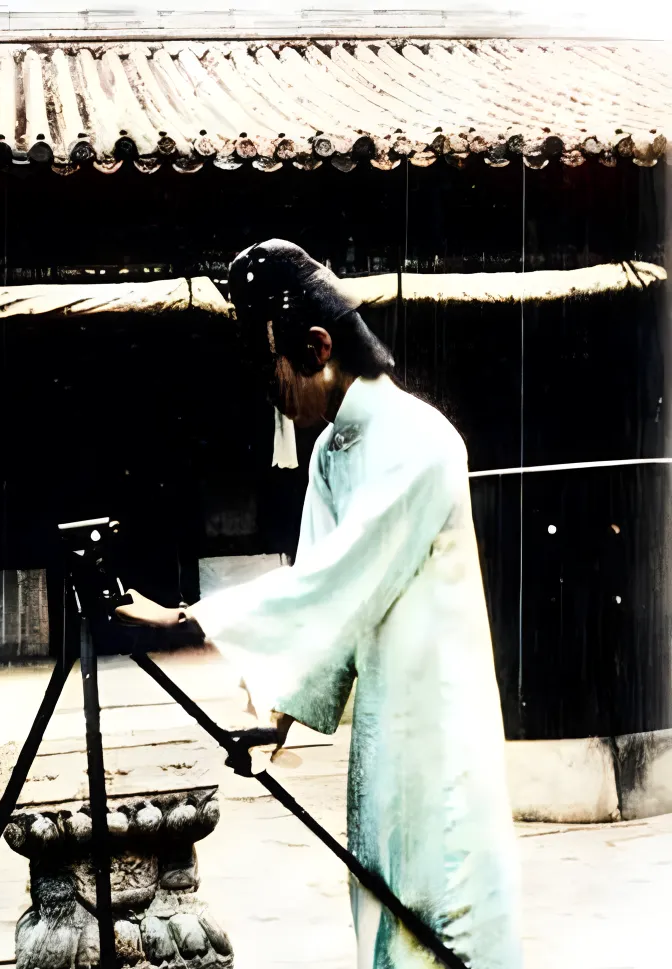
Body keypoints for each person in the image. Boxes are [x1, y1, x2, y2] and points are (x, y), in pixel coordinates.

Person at [116, 239, 523, 969]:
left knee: (448, 928)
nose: (272, 394)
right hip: (383, 738)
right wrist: (273, 719)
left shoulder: (424, 442)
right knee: (387, 932)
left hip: (442, 734)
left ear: (318, 347)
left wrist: (189, 619)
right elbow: (326, 609)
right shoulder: (333, 452)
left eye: (272, 370)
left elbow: (336, 582)